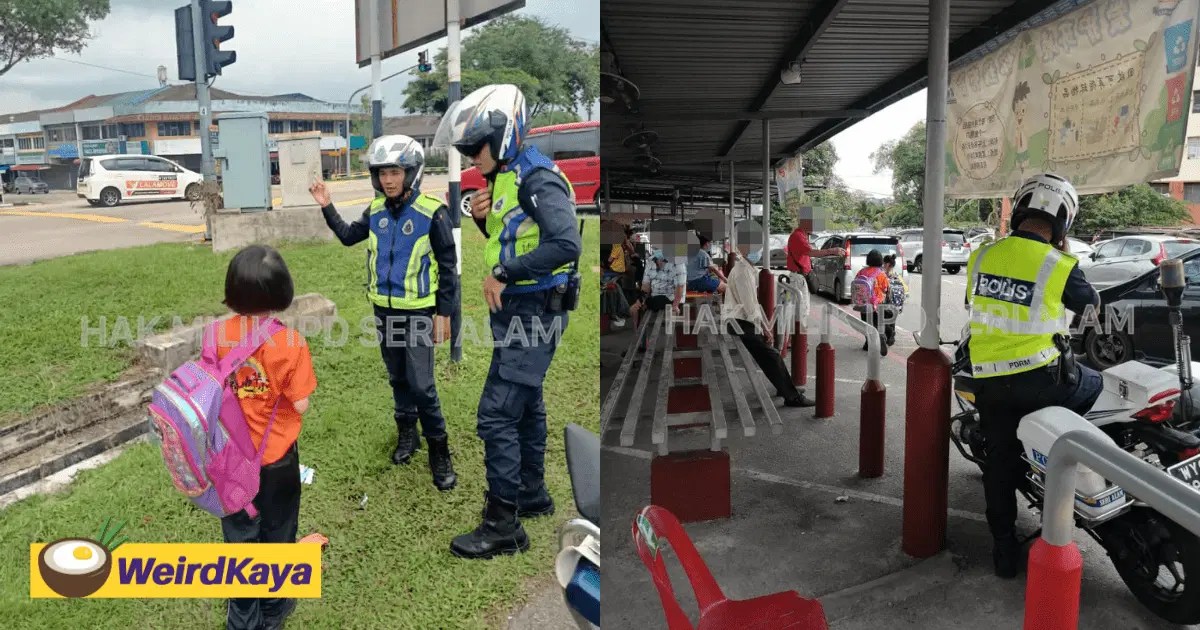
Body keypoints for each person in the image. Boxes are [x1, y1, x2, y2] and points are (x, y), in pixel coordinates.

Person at [436, 84, 582, 559]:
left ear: (502, 135)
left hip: (536, 310)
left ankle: (503, 526)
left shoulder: (536, 179)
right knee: (527, 403)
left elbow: (565, 245)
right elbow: (516, 238)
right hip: (524, 309)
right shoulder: (508, 174)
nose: (470, 157)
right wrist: (482, 221)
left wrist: (502, 273)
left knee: (497, 413)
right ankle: (531, 493)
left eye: (474, 148)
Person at [965, 173, 1103, 579]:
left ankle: (1004, 550)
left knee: (1000, 463)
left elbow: (978, 302)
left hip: (988, 381)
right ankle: (1058, 463)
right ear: (1063, 223)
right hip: (1042, 381)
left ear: (1020, 210)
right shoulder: (1059, 264)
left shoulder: (983, 255)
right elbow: (1090, 305)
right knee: (1095, 384)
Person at [309, 134, 458, 491]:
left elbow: (449, 267)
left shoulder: (432, 213)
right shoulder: (374, 212)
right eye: (381, 173)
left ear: (411, 173)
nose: (388, 180)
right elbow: (347, 236)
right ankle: (408, 434)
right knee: (398, 379)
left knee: (422, 385)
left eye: (395, 172)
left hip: (419, 313)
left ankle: (440, 449)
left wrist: (445, 313)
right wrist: (327, 205)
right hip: (384, 311)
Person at [216, 245, 318, 630]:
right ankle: (273, 608)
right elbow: (302, 403)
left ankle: (242, 616)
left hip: (228, 460)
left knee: (240, 537)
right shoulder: (290, 343)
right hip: (275, 459)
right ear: (280, 293)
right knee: (278, 532)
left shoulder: (216, 334)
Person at [723, 247, 815, 407]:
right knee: (771, 356)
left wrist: (764, 326)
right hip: (739, 322)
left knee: (770, 356)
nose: (758, 252)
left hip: (741, 320)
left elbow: (753, 307)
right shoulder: (743, 272)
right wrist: (765, 329)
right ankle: (791, 396)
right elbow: (751, 308)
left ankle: (786, 389)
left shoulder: (746, 269)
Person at [851, 250, 891, 356]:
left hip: (863, 302)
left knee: (866, 324)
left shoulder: (861, 272)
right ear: (880, 261)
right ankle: (880, 337)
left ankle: (868, 343)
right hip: (877, 303)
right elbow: (886, 288)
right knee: (877, 323)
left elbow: (856, 285)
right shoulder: (881, 274)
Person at [630, 250, 686, 321]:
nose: (659, 262)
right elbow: (645, 286)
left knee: (656, 301)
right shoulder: (650, 262)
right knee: (634, 309)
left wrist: (675, 305)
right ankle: (637, 331)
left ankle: (649, 303)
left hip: (672, 298)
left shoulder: (678, 264)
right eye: (657, 260)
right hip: (655, 297)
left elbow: (680, 286)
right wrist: (640, 301)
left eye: (663, 260)